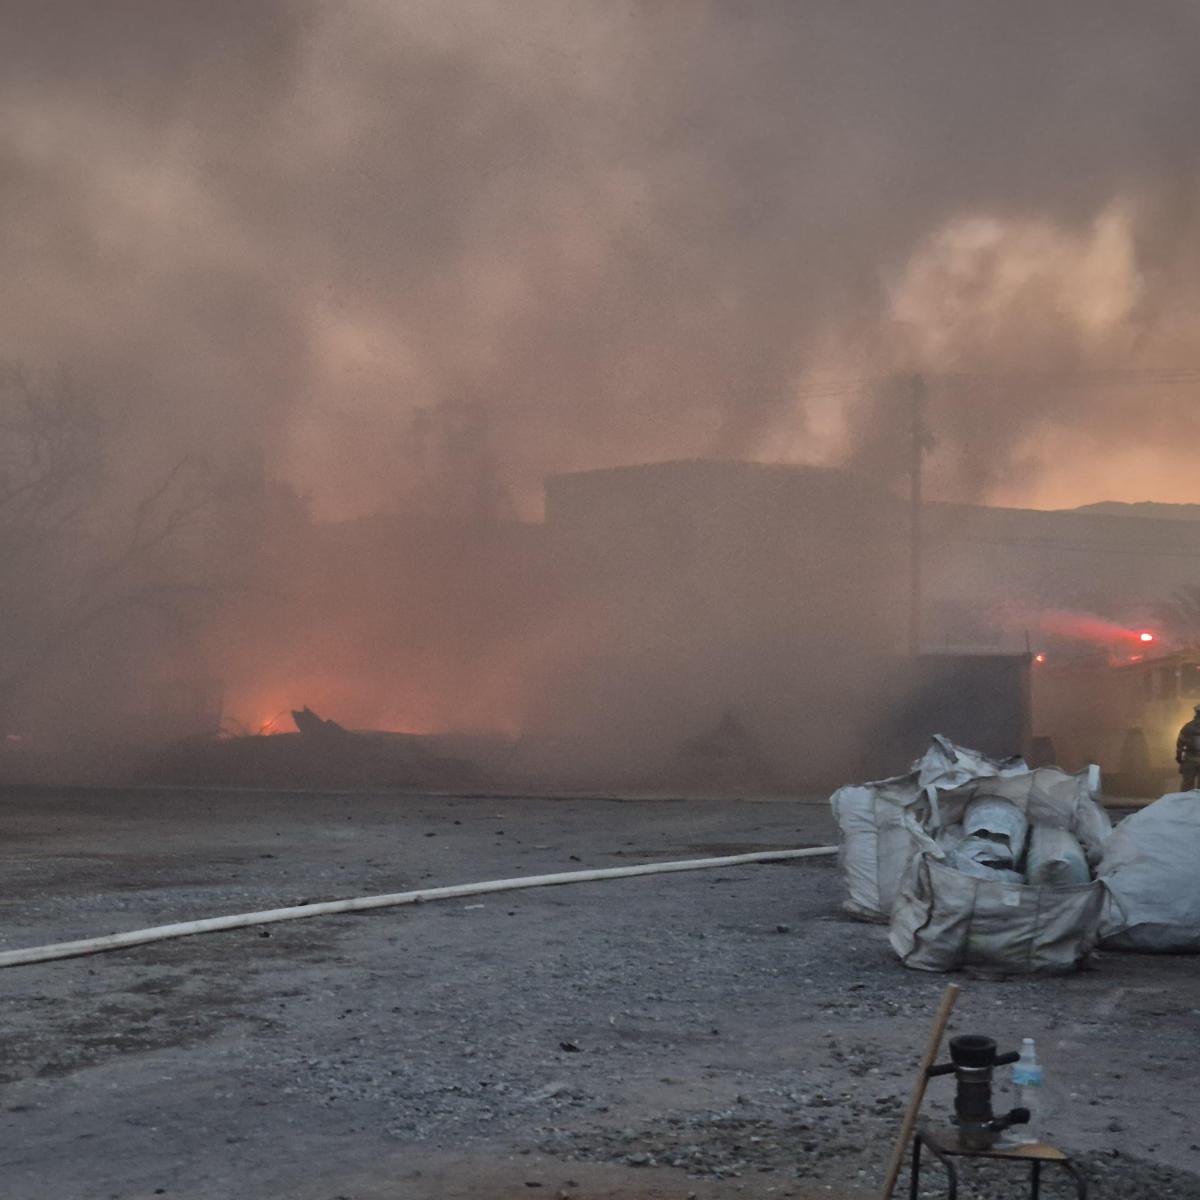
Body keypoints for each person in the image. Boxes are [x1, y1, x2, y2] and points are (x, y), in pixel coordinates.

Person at [1176, 705, 1200, 789]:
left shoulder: (1188, 727)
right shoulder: (1188, 727)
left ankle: (1185, 801)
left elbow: (1180, 744)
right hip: (1190, 761)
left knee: (1187, 787)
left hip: (1190, 761)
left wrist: (1179, 757)